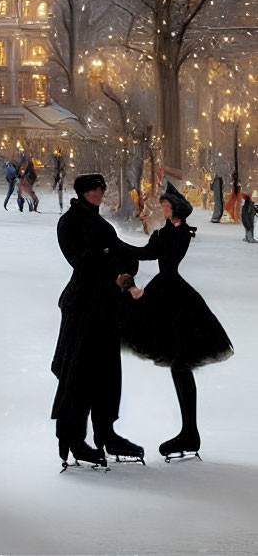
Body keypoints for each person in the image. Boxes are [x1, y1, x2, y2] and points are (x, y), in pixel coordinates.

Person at [116, 183, 233, 460]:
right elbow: (146, 253)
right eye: (163, 205)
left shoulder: (181, 233)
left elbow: (166, 265)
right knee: (179, 363)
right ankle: (189, 432)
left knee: (181, 361)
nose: (163, 208)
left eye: (167, 205)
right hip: (167, 291)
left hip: (174, 296)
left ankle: (189, 431)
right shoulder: (166, 232)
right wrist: (118, 246)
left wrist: (144, 290)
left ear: (176, 207)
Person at [51, 174, 156, 469]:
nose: (98, 193)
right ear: (83, 192)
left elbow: (120, 251)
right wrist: (114, 262)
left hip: (106, 307)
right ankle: (73, 439)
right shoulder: (70, 221)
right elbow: (82, 259)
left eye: (100, 189)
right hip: (83, 307)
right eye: (93, 190)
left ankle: (106, 433)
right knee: (79, 374)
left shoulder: (100, 223)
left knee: (107, 374)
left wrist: (150, 252)